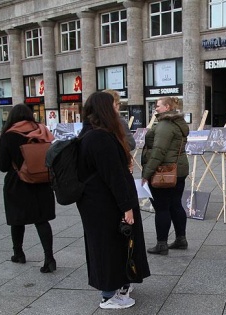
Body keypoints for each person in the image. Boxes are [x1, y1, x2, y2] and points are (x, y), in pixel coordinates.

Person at [76, 92, 150, 309]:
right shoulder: (100, 137)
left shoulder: (92, 133)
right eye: (115, 106)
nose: (118, 110)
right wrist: (126, 207)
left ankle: (118, 285)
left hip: (99, 202)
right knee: (108, 246)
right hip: (104, 204)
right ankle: (108, 295)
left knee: (113, 244)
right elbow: (113, 176)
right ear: (105, 109)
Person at [0, 104, 56, 273]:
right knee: (41, 220)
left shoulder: (9, 135)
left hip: (18, 183)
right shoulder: (42, 131)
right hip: (42, 180)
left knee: (16, 219)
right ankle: (49, 258)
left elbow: (4, 166)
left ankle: (18, 253)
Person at [141, 96, 189, 255]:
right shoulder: (177, 123)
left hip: (164, 171)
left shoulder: (165, 125)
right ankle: (181, 239)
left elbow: (158, 151)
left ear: (168, 107)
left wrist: (147, 173)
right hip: (179, 170)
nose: (156, 108)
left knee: (162, 207)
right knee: (176, 204)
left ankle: (161, 244)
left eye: (158, 106)